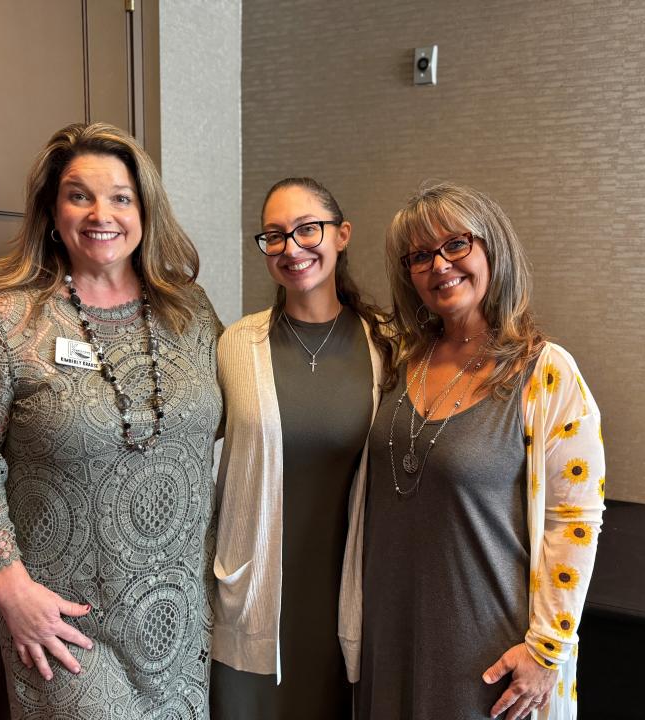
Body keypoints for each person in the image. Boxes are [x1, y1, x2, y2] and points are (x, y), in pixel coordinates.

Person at [0, 122, 222, 719]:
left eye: (121, 196)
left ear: (146, 210)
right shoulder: (8, 322)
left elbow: (237, 415)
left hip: (177, 611)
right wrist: (11, 591)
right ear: (51, 211)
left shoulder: (189, 311)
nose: (102, 213)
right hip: (65, 619)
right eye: (79, 195)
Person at [354, 183, 606, 720]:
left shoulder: (546, 372)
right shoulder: (401, 359)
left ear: (492, 248)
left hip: (484, 646)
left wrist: (547, 650)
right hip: (389, 628)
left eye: (456, 244)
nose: (439, 264)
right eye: (420, 255)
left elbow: (575, 520)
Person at [210, 177, 395, 719]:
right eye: (274, 236)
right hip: (254, 596)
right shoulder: (236, 347)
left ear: (342, 235)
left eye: (307, 230)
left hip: (348, 592)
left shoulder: (389, 343)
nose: (291, 248)